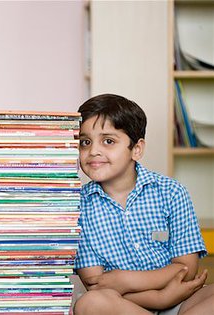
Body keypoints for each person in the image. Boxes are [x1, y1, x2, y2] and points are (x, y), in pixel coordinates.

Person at [74, 94, 214, 315]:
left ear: (136, 149)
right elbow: (96, 284)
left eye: (108, 141)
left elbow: (186, 269)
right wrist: (159, 298)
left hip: (180, 300)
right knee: (89, 303)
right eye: (85, 142)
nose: (93, 151)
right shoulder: (78, 207)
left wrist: (125, 279)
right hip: (122, 305)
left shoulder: (171, 192)